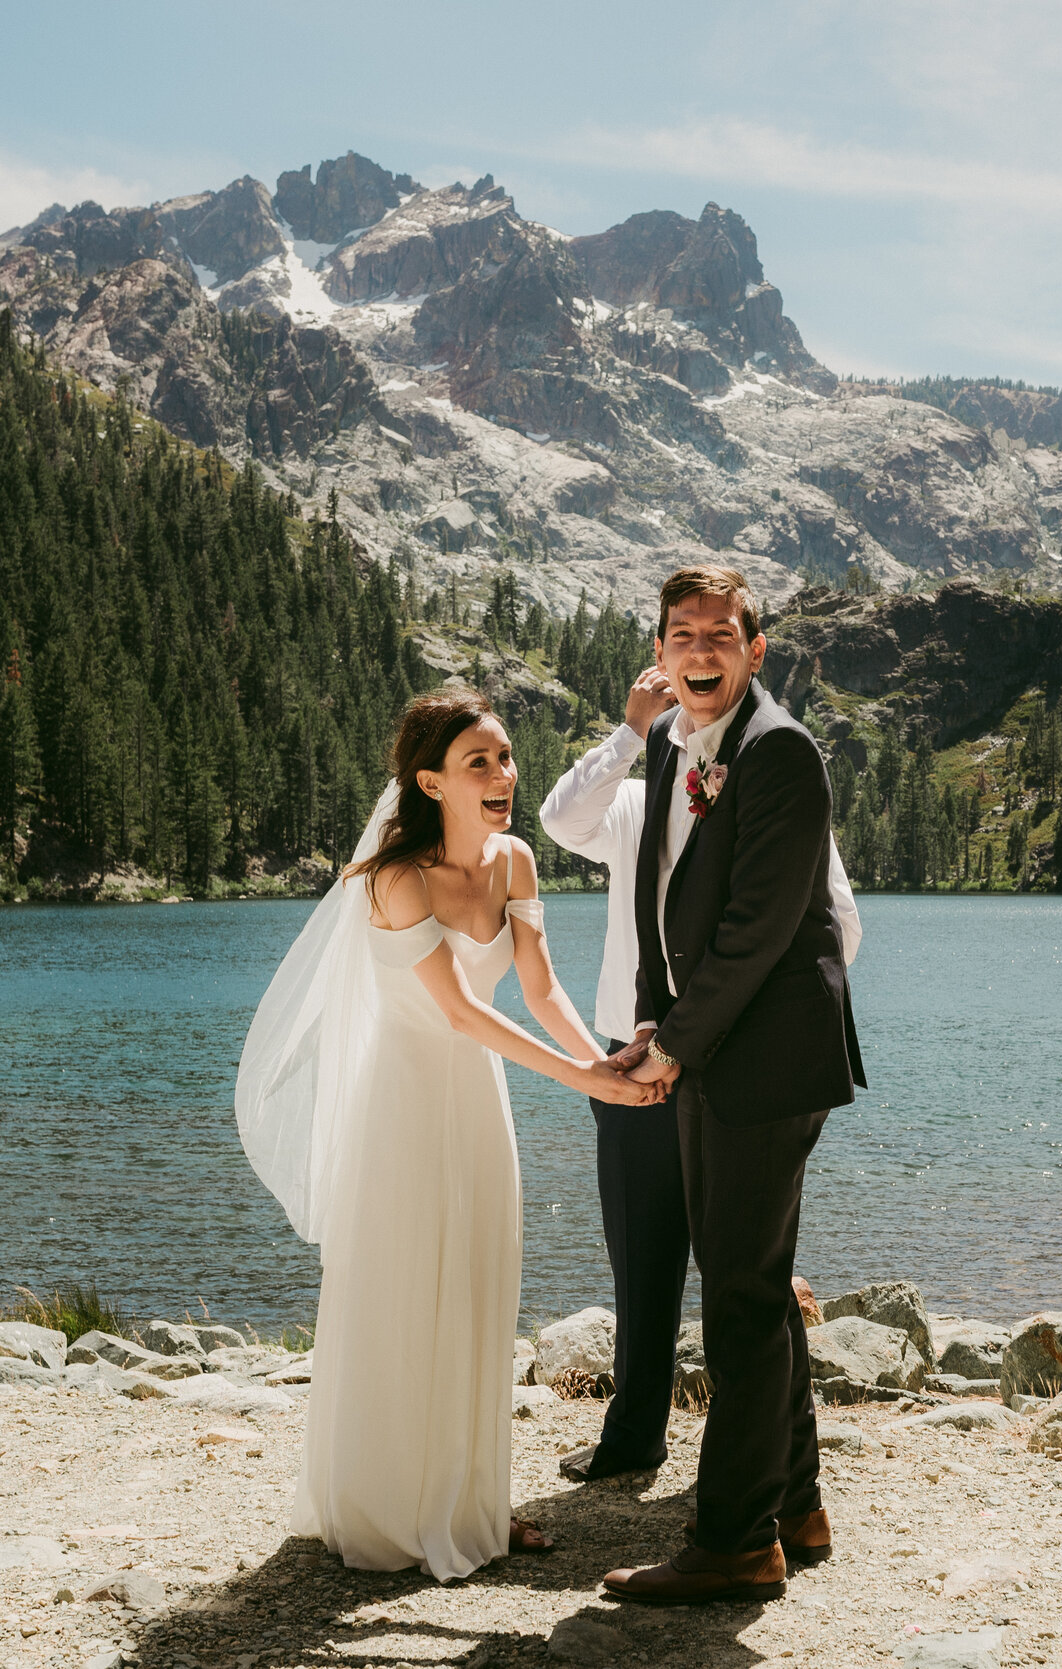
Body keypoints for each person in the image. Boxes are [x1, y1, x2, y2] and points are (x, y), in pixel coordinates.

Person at [234, 689, 663, 1583]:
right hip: (404, 1105)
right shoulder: (396, 878)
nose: (504, 774)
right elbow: (462, 1011)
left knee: (476, 1291)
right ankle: (390, 1505)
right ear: (429, 781)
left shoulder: (515, 862)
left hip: (479, 1105)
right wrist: (586, 1081)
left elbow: (540, 993)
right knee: (403, 1291)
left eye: (506, 757)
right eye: (480, 761)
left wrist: (611, 1062)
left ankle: (473, 1504)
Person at [602, 565, 864, 1606]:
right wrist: (647, 1020)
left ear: (756, 651)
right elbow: (660, 903)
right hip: (711, 1046)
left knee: (741, 1295)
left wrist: (674, 1047)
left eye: (721, 632)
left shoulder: (782, 751)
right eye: (682, 633)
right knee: (750, 1274)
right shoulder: (674, 747)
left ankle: (733, 1539)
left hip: (769, 1055)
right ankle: (792, 1501)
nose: (700, 649)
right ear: (660, 653)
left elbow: (759, 932)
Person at [539, 663, 864, 1485]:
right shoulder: (636, 799)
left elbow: (837, 927)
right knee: (641, 1262)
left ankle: (767, 1484)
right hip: (634, 1063)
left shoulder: (768, 786)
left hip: (728, 1067)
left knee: (742, 1277)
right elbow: (556, 816)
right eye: (675, 648)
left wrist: (734, 1025)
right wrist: (631, 732)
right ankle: (634, 1435)